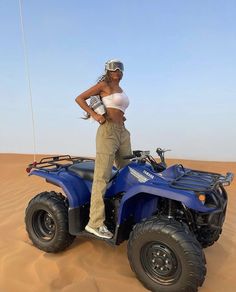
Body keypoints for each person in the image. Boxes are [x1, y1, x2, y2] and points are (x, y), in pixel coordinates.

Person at [75, 59, 132, 239]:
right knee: (102, 176)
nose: (117, 70)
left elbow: (117, 108)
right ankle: (95, 223)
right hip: (107, 132)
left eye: (120, 67)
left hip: (122, 132)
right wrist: (96, 116)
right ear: (107, 70)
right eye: (113, 67)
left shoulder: (121, 89)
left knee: (128, 172)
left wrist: (121, 119)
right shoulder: (103, 85)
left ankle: (125, 214)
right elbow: (79, 98)